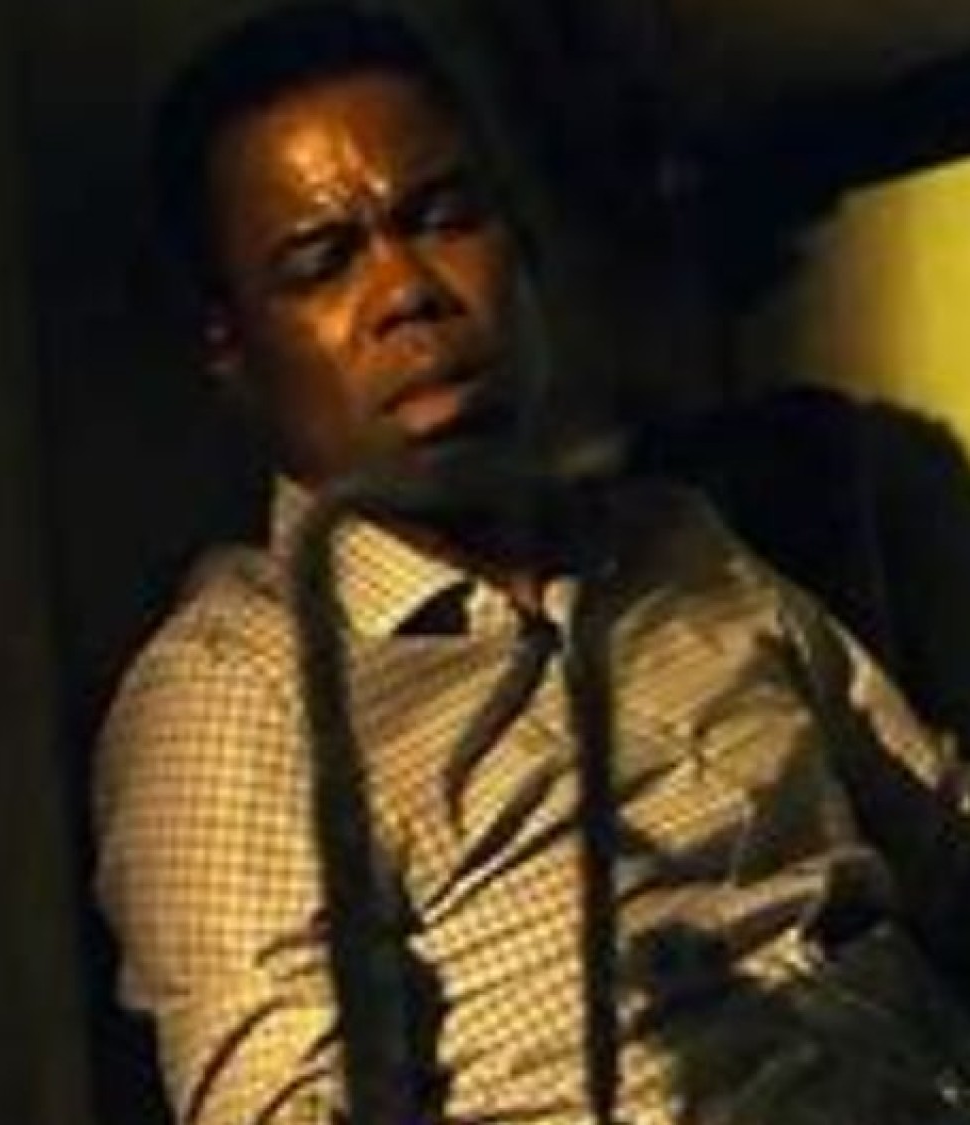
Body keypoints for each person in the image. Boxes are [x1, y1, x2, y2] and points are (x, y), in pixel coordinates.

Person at [93, 4, 970, 1122]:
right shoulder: (239, 692)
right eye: (323, 264)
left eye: (444, 217)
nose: (408, 292)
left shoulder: (677, 540)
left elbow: (940, 834)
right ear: (234, 351)